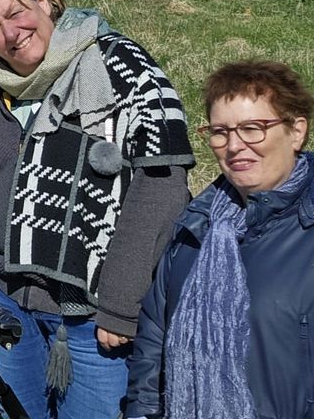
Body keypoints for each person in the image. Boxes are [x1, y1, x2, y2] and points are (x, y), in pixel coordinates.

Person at [0, 0, 195, 419]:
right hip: (6, 303)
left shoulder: (119, 64)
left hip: (94, 317)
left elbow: (162, 185)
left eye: (16, 13)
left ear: (43, 0)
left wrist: (120, 305)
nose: (11, 33)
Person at [125, 60, 313, 419]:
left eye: (253, 128)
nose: (234, 146)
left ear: (296, 131)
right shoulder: (196, 226)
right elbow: (153, 337)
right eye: (220, 132)